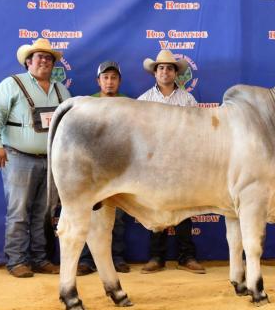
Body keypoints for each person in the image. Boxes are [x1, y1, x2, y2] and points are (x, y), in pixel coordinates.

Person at [0, 38, 71, 278]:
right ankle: (17, 261)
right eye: (39, 57)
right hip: (17, 157)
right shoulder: (11, 84)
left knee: (44, 214)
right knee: (19, 211)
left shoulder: (61, 90)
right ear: (28, 62)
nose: (44, 61)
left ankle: (40, 259)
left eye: (48, 58)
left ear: (54, 64)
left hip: (52, 160)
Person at [137, 49, 205, 274]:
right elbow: (136, 133)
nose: (165, 71)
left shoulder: (187, 99)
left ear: (176, 73)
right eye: (161, 68)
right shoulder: (144, 100)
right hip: (154, 163)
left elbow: (198, 132)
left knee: (184, 208)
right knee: (157, 208)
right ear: (155, 73)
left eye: (169, 68)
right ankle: (157, 257)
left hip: (182, 161)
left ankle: (187, 256)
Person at [77, 61, 130, 276]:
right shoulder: (87, 104)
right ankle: (86, 260)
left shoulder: (128, 104)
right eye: (105, 78)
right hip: (93, 168)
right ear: (98, 81)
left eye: (114, 78)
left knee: (117, 217)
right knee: (89, 213)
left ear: (119, 81)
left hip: (120, 167)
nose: (109, 82)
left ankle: (116, 258)